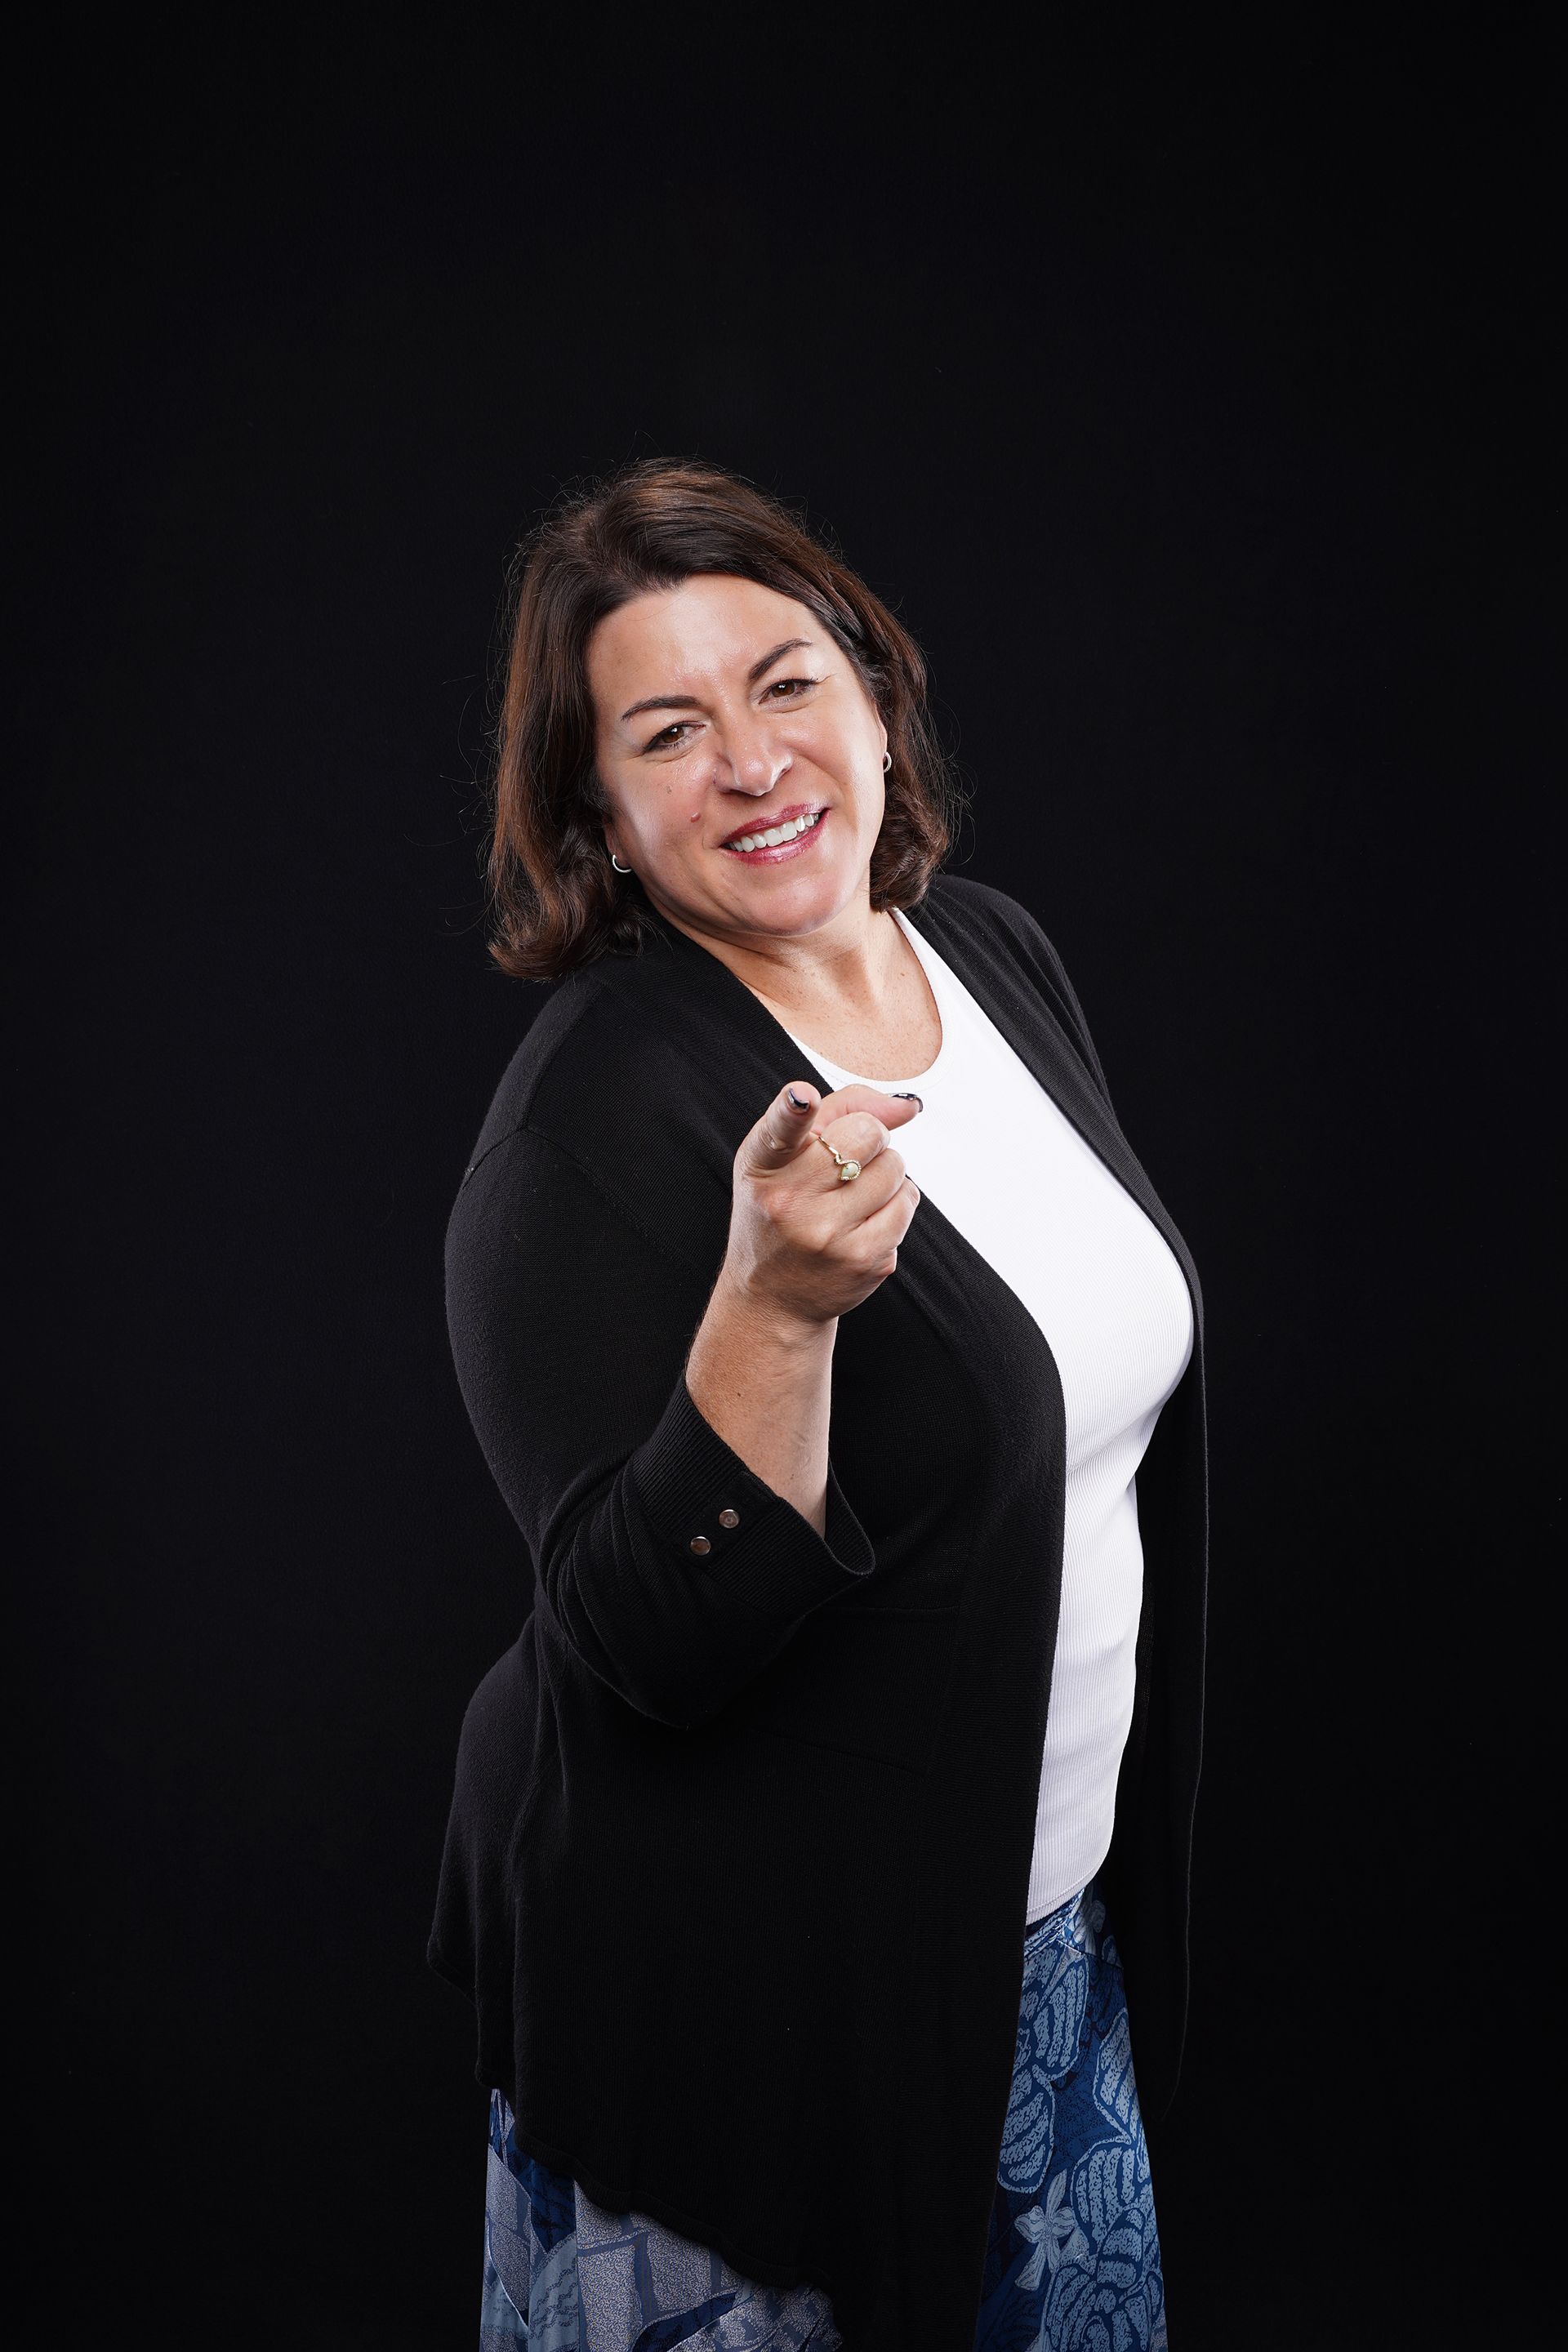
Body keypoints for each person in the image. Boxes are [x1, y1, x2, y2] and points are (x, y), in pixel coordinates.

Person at [429, 459, 1207, 2352]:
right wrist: (773, 1306)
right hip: (746, 2011)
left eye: (786, 682)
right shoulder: (591, 1122)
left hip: (1029, 1942)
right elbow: (643, 1644)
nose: (754, 761)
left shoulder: (991, 959)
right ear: (600, 819)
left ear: (873, 694)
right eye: (667, 731)